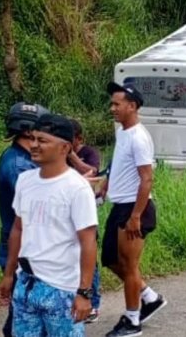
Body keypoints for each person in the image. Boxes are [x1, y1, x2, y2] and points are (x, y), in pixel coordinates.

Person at [0, 113, 98, 337]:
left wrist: (84, 292)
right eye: (32, 139)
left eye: (42, 141)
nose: (34, 145)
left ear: (64, 148)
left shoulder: (77, 188)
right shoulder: (26, 181)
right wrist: (9, 274)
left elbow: (88, 241)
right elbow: (18, 229)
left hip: (62, 290)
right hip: (26, 284)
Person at [101, 82, 166, 337]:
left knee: (129, 267)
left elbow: (146, 178)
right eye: (112, 104)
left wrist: (136, 216)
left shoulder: (139, 137)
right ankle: (150, 298)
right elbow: (119, 165)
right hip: (120, 205)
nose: (112, 108)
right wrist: (107, 182)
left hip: (134, 208)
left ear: (132, 106)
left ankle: (132, 322)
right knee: (110, 260)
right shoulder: (123, 132)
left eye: (117, 104)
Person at [0, 102, 48, 337]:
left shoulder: (26, 160)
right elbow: (35, 210)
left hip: (27, 244)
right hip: (22, 246)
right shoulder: (18, 166)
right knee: (24, 313)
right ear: (28, 130)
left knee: (25, 312)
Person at [67, 119, 103, 323]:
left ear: (79, 139)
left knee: (89, 260)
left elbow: (92, 172)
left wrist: (72, 156)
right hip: (67, 214)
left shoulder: (89, 153)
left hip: (86, 212)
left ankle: (93, 303)